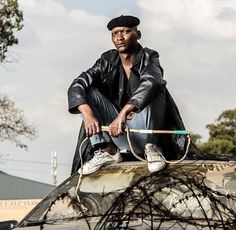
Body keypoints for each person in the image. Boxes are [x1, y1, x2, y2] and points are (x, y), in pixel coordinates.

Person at [68, 15, 185, 175]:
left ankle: (151, 149)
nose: (119, 38)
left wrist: (124, 113)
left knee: (156, 87)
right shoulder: (106, 60)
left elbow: (152, 81)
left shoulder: (149, 57)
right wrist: (88, 115)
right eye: (114, 34)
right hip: (119, 134)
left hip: (146, 134)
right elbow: (77, 84)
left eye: (125, 32)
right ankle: (108, 150)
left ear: (138, 34)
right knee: (88, 90)